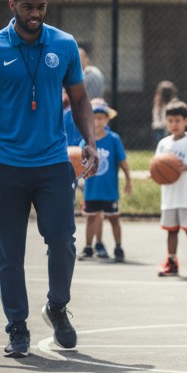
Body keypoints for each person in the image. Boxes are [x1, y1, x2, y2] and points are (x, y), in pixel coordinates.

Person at [0, 0, 97, 358]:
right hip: (6, 163)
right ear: (12, 5)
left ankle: (57, 305)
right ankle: (16, 326)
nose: (34, 14)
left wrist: (90, 141)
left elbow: (81, 98)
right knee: (10, 252)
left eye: (41, 7)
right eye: (27, 7)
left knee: (62, 241)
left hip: (53, 162)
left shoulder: (64, 44)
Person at [78, 100, 130, 262]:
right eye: (94, 117)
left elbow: (122, 161)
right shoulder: (86, 140)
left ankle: (118, 247)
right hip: (92, 188)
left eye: (101, 117)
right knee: (91, 218)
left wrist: (129, 179)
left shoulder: (114, 139)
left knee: (114, 218)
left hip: (109, 189)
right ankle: (88, 247)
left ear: (107, 120)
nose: (98, 121)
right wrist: (79, 178)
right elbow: (79, 162)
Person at [155, 99, 187, 278]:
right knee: (171, 230)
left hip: (186, 194)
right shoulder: (164, 144)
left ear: (186, 121)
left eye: (177, 121)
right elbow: (157, 166)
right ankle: (172, 261)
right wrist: (157, 173)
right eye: (170, 121)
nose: (174, 124)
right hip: (169, 195)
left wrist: (182, 167)